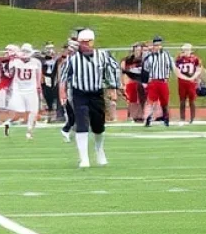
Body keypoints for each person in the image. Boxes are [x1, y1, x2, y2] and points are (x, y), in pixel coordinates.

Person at [62, 28, 119, 168]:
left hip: (96, 93)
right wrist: (62, 94)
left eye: (88, 42)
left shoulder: (102, 55)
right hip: (79, 94)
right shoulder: (73, 59)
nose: (85, 45)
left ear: (92, 42)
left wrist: (113, 88)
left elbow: (112, 69)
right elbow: (63, 78)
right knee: (82, 124)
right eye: (83, 42)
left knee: (98, 126)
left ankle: (99, 151)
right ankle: (84, 158)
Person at [4, 43, 43, 139]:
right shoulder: (36, 62)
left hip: (19, 89)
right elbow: (39, 76)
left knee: (20, 113)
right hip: (30, 89)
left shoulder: (15, 62)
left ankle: (9, 122)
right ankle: (29, 132)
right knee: (32, 112)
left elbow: (10, 75)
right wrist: (39, 87)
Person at [142, 36, 173, 127]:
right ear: (153, 46)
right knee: (151, 101)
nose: (158, 47)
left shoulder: (166, 55)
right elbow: (145, 68)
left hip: (163, 81)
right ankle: (149, 118)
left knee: (164, 101)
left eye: (159, 45)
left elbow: (170, 66)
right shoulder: (149, 56)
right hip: (153, 81)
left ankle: (166, 118)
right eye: (156, 45)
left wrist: (167, 77)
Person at [174, 43, 204, 125]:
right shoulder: (179, 59)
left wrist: (193, 77)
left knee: (192, 100)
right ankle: (182, 118)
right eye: (184, 50)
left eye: (187, 49)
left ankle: (192, 118)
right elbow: (177, 71)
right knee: (182, 101)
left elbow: (199, 69)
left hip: (191, 82)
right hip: (182, 82)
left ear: (191, 50)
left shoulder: (195, 59)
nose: (186, 51)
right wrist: (187, 78)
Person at [120, 44, 145, 123]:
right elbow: (123, 71)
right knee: (132, 100)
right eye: (136, 50)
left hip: (141, 82)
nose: (138, 51)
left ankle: (141, 116)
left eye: (139, 50)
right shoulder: (128, 60)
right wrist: (124, 83)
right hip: (132, 82)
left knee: (141, 99)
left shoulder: (144, 60)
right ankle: (131, 116)